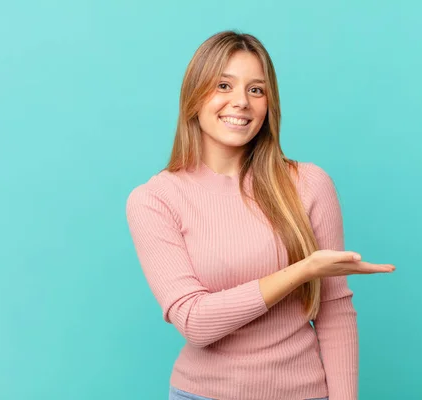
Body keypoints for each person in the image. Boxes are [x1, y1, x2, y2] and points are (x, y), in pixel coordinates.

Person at [126, 30, 396, 400]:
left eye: (256, 90)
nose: (241, 102)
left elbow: (335, 311)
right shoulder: (155, 200)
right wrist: (301, 270)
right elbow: (195, 322)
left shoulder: (309, 184)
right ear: (193, 97)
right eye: (224, 85)